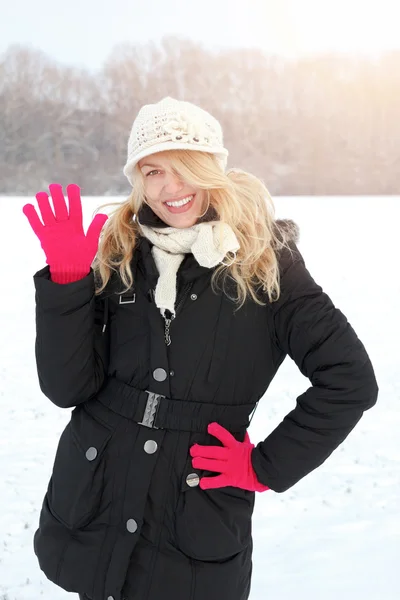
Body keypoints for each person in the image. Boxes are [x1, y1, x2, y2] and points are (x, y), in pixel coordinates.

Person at [23, 97, 378, 600]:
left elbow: (350, 379)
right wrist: (68, 284)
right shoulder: (121, 252)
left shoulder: (266, 263)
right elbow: (67, 388)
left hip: (193, 525)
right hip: (99, 503)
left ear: (214, 168)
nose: (171, 187)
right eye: (153, 171)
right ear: (138, 181)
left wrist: (264, 466)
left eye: (186, 166)